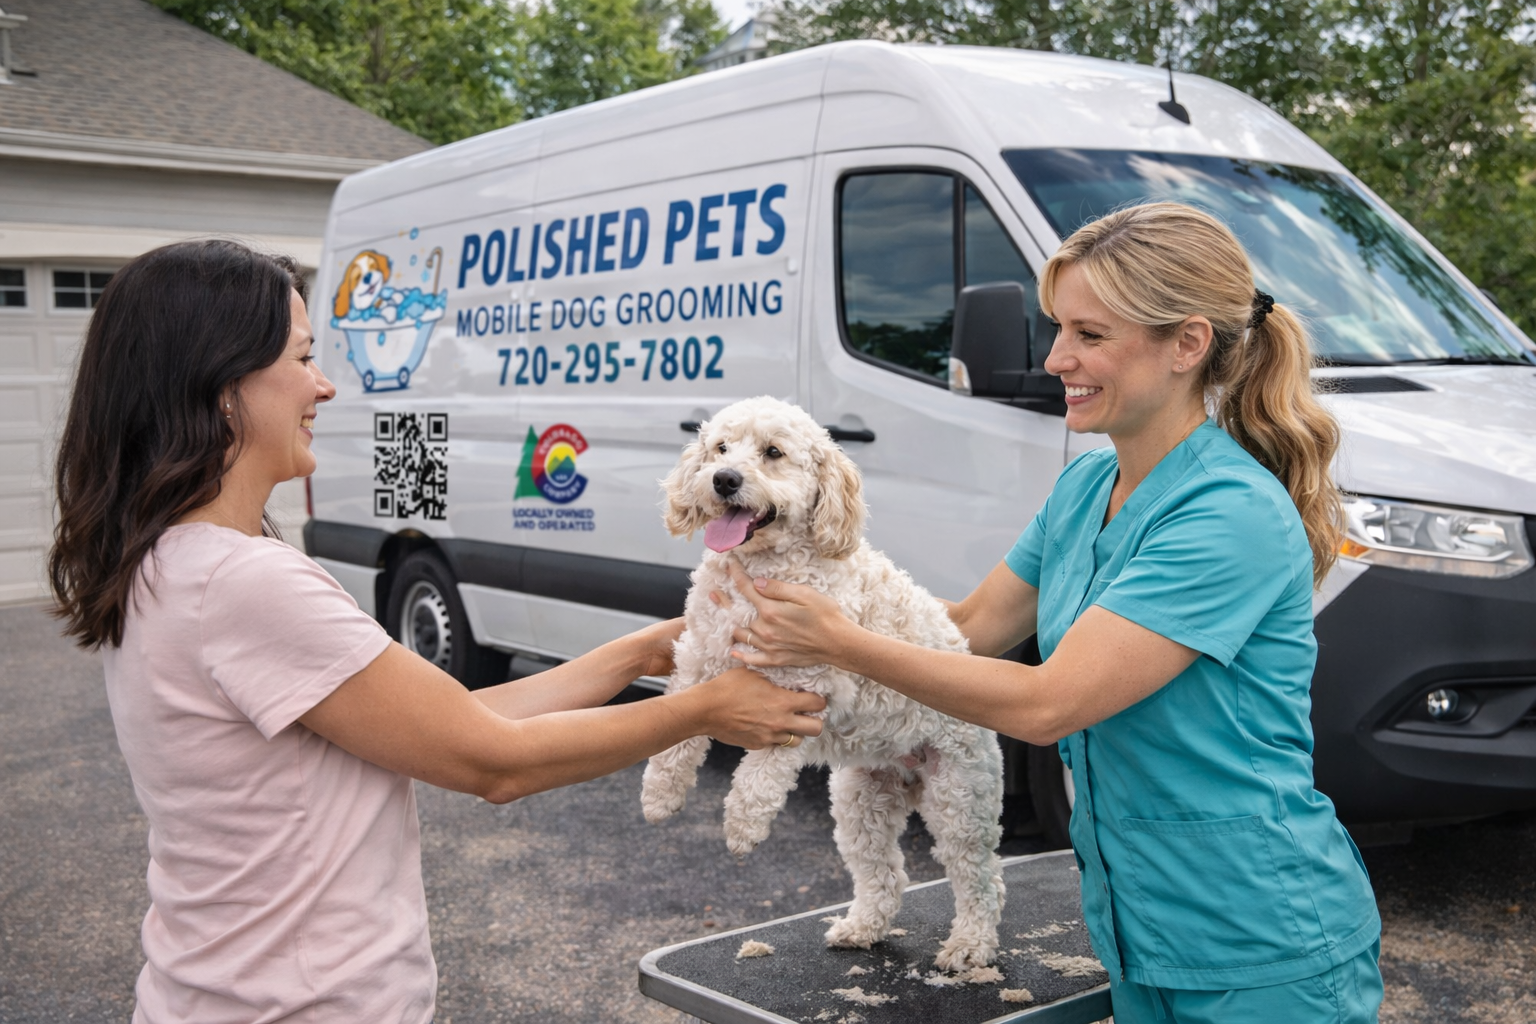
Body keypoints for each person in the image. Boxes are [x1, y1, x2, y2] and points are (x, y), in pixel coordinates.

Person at [48, 239, 825, 1024]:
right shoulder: (246, 584)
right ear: (222, 387)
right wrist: (705, 709)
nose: (323, 385)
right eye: (303, 357)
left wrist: (644, 651)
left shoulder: (172, 561)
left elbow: (459, 718)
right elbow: (493, 763)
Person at [722, 202, 1383, 1023]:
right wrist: (761, 614)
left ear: (1188, 344)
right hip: (1138, 924)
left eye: (1090, 334)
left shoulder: (1229, 513)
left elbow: (1048, 703)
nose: (1057, 356)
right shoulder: (1085, 489)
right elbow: (965, 629)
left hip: (1260, 939)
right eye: (1057, 327)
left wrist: (842, 642)